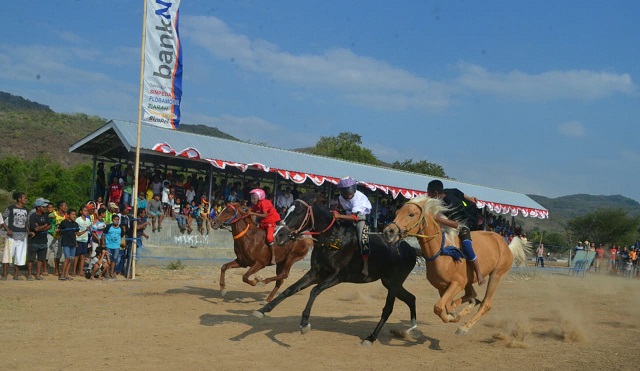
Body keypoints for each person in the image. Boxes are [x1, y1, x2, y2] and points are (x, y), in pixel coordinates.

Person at [427, 179, 486, 285]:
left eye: (429, 195)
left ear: (435, 193)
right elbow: (459, 192)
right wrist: (470, 198)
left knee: (466, 246)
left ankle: (479, 274)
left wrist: (438, 219)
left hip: (464, 224)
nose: (428, 197)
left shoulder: (450, 203)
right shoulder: (447, 191)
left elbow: (456, 224)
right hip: (447, 224)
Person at [332, 177, 372, 276]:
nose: (348, 193)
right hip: (346, 216)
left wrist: (338, 216)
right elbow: (342, 207)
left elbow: (355, 217)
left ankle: (365, 265)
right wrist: (337, 211)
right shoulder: (341, 197)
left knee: (362, 239)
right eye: (345, 191)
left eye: (349, 190)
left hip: (360, 218)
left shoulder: (359, 198)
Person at [247, 188, 281, 265]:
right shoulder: (255, 205)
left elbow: (265, 215)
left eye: (254, 197)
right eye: (252, 198)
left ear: (260, 197)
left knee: (269, 238)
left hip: (270, 221)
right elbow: (251, 212)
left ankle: (273, 256)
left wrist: (253, 213)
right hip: (263, 222)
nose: (253, 199)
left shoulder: (264, 203)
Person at [2, 192, 29, 280]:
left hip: (22, 236)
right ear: (19, 199)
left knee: (20, 256)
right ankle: (5, 275)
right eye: (24, 198)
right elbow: (2, 219)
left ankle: (16, 275)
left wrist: (28, 232)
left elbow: (26, 223)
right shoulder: (10, 208)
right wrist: (7, 229)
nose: (26, 200)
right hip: (11, 236)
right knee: (7, 255)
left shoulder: (26, 210)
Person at [26, 198, 51, 281]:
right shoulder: (33, 216)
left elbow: (50, 225)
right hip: (33, 241)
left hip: (43, 241)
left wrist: (41, 227)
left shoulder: (45, 215)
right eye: (43, 207)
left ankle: (38, 274)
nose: (45, 208)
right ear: (38, 207)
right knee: (31, 259)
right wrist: (44, 226)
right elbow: (35, 229)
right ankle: (29, 274)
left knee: (41, 259)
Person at [58, 209, 79, 280]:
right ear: (68, 215)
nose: (74, 216)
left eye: (75, 215)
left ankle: (66, 275)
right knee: (67, 258)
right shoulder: (64, 223)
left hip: (73, 243)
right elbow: (59, 230)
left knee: (70, 259)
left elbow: (76, 233)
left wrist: (85, 230)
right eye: (73, 214)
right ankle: (62, 275)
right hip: (66, 243)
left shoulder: (75, 224)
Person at [48, 200, 67, 277]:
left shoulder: (66, 216)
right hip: (51, 235)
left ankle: (56, 270)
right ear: (60, 207)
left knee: (58, 253)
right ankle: (45, 269)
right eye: (65, 206)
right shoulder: (53, 214)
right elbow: (46, 221)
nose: (66, 207)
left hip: (60, 236)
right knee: (47, 252)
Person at [102, 214, 125, 279]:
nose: (116, 221)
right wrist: (103, 243)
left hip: (116, 246)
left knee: (114, 260)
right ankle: (106, 273)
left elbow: (122, 235)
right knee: (108, 260)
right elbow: (103, 234)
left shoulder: (120, 228)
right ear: (112, 220)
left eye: (118, 220)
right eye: (115, 219)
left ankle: (112, 272)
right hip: (108, 245)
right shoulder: (108, 226)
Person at [74, 206, 92, 277]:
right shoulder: (78, 220)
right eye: (84, 210)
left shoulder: (88, 220)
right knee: (77, 256)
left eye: (87, 211)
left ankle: (80, 270)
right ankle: (74, 270)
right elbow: (76, 231)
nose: (86, 212)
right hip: (78, 239)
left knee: (83, 256)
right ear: (81, 212)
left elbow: (89, 228)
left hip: (85, 240)